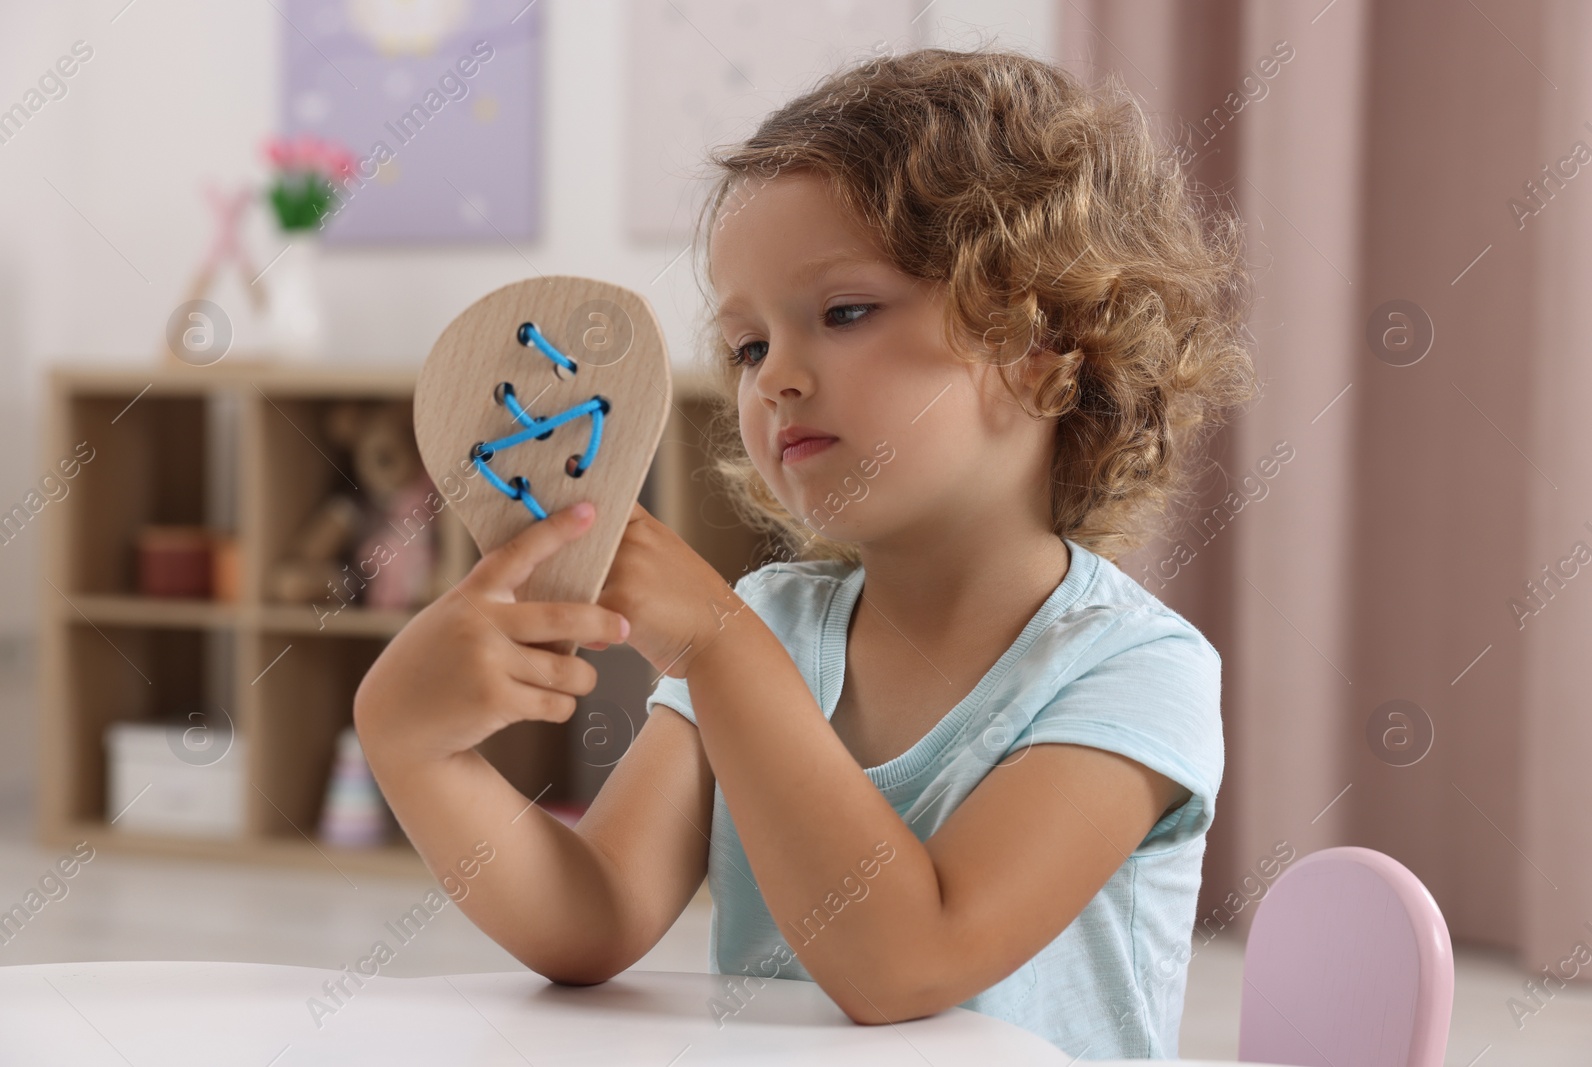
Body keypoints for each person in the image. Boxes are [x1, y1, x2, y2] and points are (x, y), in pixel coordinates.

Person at [355, 46, 1258, 1058]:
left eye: (843, 312)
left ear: (1044, 355)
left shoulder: (1133, 670)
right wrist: (411, 741)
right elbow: (594, 915)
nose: (774, 375)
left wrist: (720, 647)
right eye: (746, 345)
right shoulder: (773, 621)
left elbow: (907, 960)